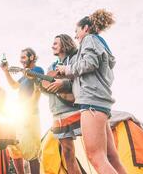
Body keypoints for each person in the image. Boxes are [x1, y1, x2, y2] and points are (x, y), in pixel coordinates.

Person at [57, 9, 127, 174]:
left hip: (92, 103)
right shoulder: (98, 42)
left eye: (77, 31)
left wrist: (66, 69)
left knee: (96, 157)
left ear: (86, 28)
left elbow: (89, 63)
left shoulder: (89, 40)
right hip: (100, 103)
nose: (76, 36)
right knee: (110, 157)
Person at [40, 34, 82, 174]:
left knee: (91, 149)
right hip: (58, 113)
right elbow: (51, 91)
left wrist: (63, 84)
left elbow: (82, 82)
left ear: (64, 44)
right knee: (68, 154)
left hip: (77, 110)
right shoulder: (51, 67)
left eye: (56, 43)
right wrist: (41, 86)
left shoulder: (76, 59)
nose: (52, 46)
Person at [1, 48, 44, 174]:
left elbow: (38, 86)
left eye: (24, 57)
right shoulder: (24, 75)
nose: (21, 60)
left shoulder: (37, 70)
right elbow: (14, 86)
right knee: (15, 146)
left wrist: (28, 73)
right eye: (20, 58)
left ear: (32, 57)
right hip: (20, 114)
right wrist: (6, 72)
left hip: (30, 114)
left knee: (32, 150)